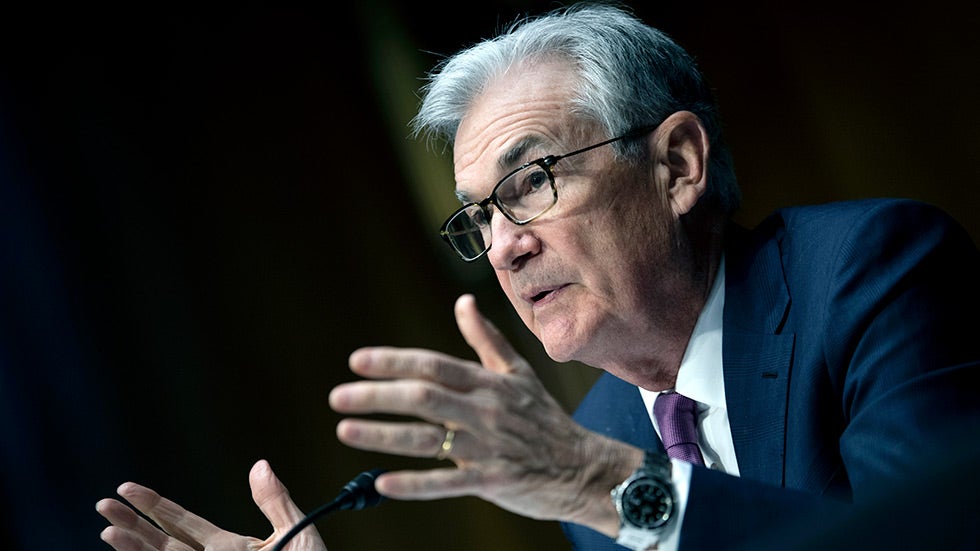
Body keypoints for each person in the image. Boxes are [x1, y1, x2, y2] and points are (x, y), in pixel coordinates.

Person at [97, 3, 980, 549]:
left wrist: (597, 484)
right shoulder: (599, 425)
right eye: (480, 215)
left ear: (677, 165)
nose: (505, 246)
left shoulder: (872, 274)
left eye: (531, 182)